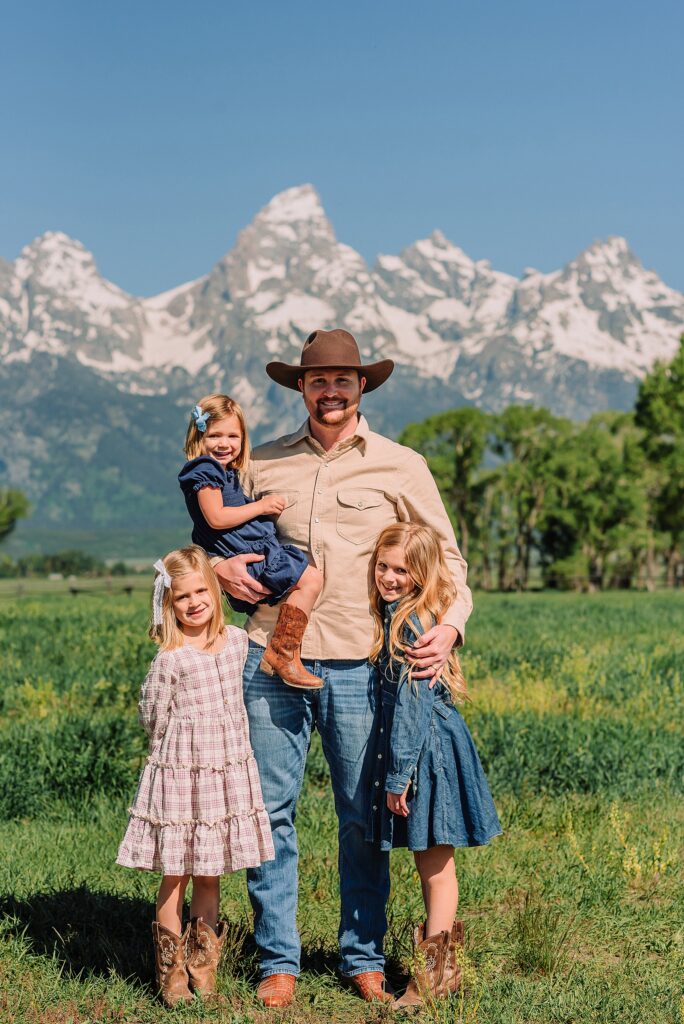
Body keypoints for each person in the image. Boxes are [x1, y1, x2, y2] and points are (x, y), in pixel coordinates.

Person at [211, 328, 473, 1009]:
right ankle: (278, 960)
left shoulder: (401, 465)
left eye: (344, 380)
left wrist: (449, 626)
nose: (331, 390)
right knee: (269, 813)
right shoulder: (259, 464)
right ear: (301, 386)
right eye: (318, 379)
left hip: (362, 667)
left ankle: (362, 956)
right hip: (269, 658)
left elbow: (449, 562)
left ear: (363, 387)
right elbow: (212, 541)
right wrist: (217, 568)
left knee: (363, 819)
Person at [116, 545, 275, 1007]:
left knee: (209, 872)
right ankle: (171, 971)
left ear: (214, 589)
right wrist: (175, 750)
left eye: (201, 590)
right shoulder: (171, 658)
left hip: (224, 772)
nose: (193, 602)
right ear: (168, 604)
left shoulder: (236, 643)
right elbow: (152, 715)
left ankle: (204, 964)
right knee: (176, 873)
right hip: (181, 775)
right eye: (181, 597)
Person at [367, 523, 501, 1009]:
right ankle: (440, 971)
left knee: (435, 863)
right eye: (383, 566)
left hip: (428, 751)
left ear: (422, 574)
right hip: (429, 745)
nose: (389, 576)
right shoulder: (399, 612)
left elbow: (412, 703)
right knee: (434, 862)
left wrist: (399, 776)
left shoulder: (411, 623)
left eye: (402, 569)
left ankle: (431, 979)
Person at [178, 393, 323, 690]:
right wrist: (261, 506)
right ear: (198, 437)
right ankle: (283, 652)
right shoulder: (204, 471)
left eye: (233, 436)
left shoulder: (225, 472)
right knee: (311, 580)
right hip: (247, 552)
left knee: (307, 580)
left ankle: (280, 652)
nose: (224, 443)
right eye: (215, 435)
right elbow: (216, 518)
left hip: (251, 548)